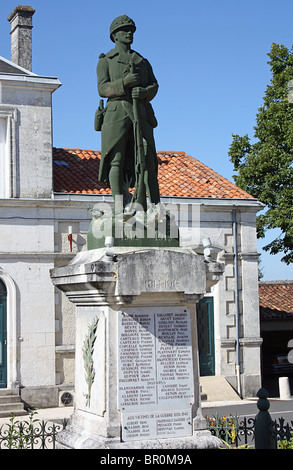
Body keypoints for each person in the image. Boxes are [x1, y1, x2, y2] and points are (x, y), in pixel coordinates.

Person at [96, 14, 161, 211]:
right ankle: (118, 206)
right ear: (115, 35)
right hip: (116, 112)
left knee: (147, 159)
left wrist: (144, 92)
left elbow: (154, 84)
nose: (129, 33)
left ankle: (151, 204)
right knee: (116, 159)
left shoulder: (142, 61)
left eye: (131, 30)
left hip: (140, 112)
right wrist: (124, 83)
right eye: (124, 30)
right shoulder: (106, 61)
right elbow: (102, 88)